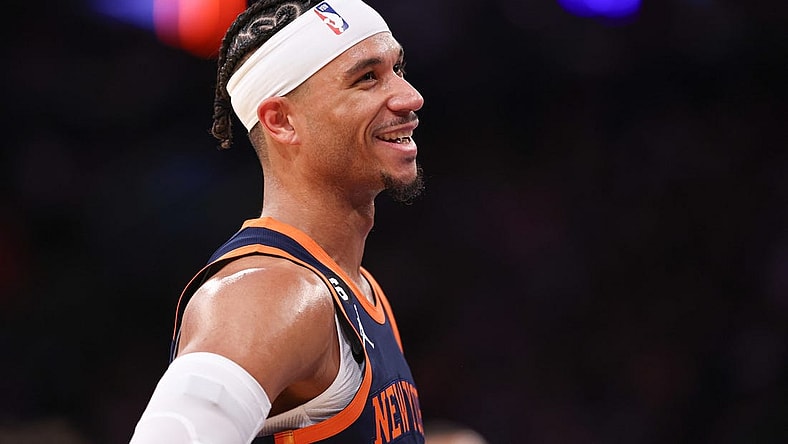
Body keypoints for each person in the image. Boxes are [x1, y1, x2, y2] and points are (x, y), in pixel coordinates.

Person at [130, 0, 426, 442]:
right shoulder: (270, 293)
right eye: (367, 78)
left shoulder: (358, 288)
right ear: (281, 121)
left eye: (397, 68)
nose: (409, 96)